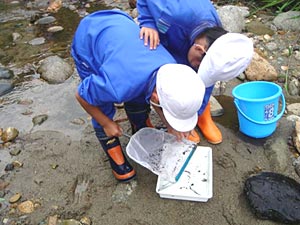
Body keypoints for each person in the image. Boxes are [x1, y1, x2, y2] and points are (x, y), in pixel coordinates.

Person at [71, 9, 205, 182]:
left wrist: (170, 125)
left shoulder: (171, 67)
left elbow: (158, 97)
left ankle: (139, 123)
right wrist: (107, 123)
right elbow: (81, 95)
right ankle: (111, 146)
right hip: (89, 39)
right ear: (156, 98)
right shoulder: (115, 85)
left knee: (139, 94)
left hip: (120, 26)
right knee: (101, 103)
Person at [137, 0, 232, 144]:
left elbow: (207, 79)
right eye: (200, 64)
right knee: (171, 76)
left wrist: (194, 113)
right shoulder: (170, 12)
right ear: (200, 49)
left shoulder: (215, 34)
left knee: (202, 76)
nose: (200, 69)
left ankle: (201, 116)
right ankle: (177, 115)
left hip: (188, 35)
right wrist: (148, 22)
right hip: (167, 34)